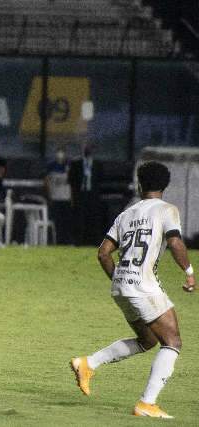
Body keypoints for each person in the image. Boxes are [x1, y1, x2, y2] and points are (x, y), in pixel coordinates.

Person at [69, 161, 195, 418]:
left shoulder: (126, 214)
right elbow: (174, 241)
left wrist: (120, 279)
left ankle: (88, 363)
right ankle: (147, 403)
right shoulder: (167, 209)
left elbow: (103, 253)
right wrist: (190, 272)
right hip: (143, 285)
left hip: (121, 285)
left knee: (148, 340)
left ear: (140, 185)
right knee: (172, 342)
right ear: (165, 185)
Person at [68, 144, 103, 246]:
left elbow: (100, 179)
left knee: (93, 218)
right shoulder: (76, 163)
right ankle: (78, 241)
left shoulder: (97, 164)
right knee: (79, 218)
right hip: (80, 194)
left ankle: (94, 241)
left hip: (93, 195)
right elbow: (71, 180)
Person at [44, 148, 72, 244]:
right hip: (55, 198)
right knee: (56, 221)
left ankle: (66, 240)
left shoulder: (69, 165)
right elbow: (46, 181)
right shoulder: (51, 166)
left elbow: (72, 183)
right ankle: (57, 240)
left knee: (66, 221)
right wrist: (49, 195)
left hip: (66, 198)